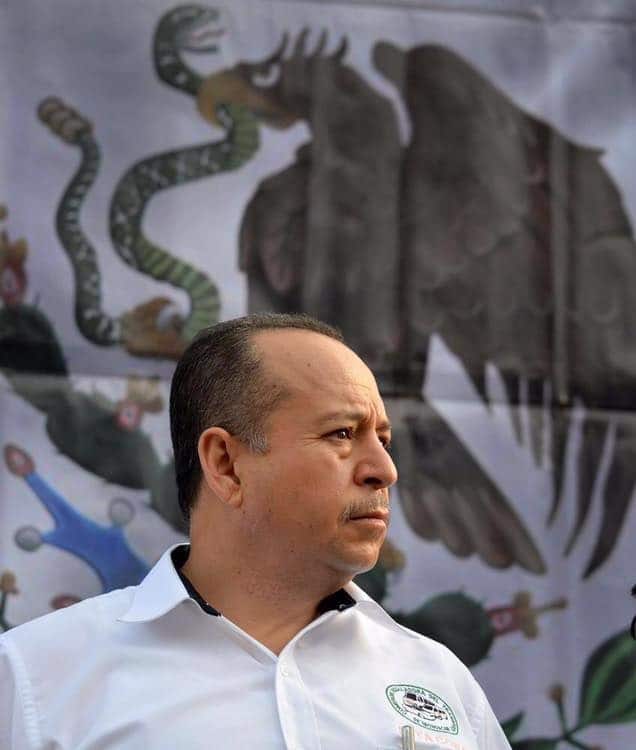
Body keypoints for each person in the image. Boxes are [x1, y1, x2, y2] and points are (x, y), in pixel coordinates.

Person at [0, 313, 512, 749]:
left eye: (383, 439)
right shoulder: (35, 679)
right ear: (225, 464)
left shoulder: (440, 680)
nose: (385, 470)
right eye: (342, 433)